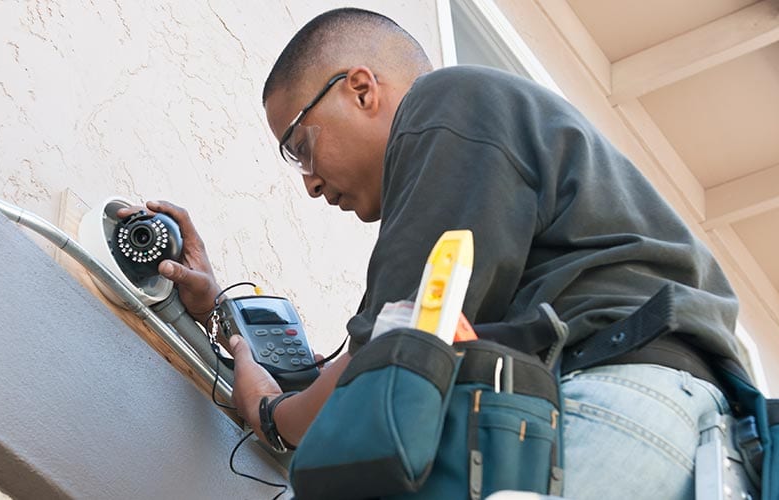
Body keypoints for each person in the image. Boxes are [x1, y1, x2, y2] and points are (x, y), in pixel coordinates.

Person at [139, 8, 750, 499]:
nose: (309, 181)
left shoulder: (445, 102)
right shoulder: (494, 172)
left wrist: (271, 414)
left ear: (360, 89)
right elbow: (371, 356)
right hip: (689, 444)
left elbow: (384, 357)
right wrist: (221, 310)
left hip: (613, 406)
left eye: (300, 145)